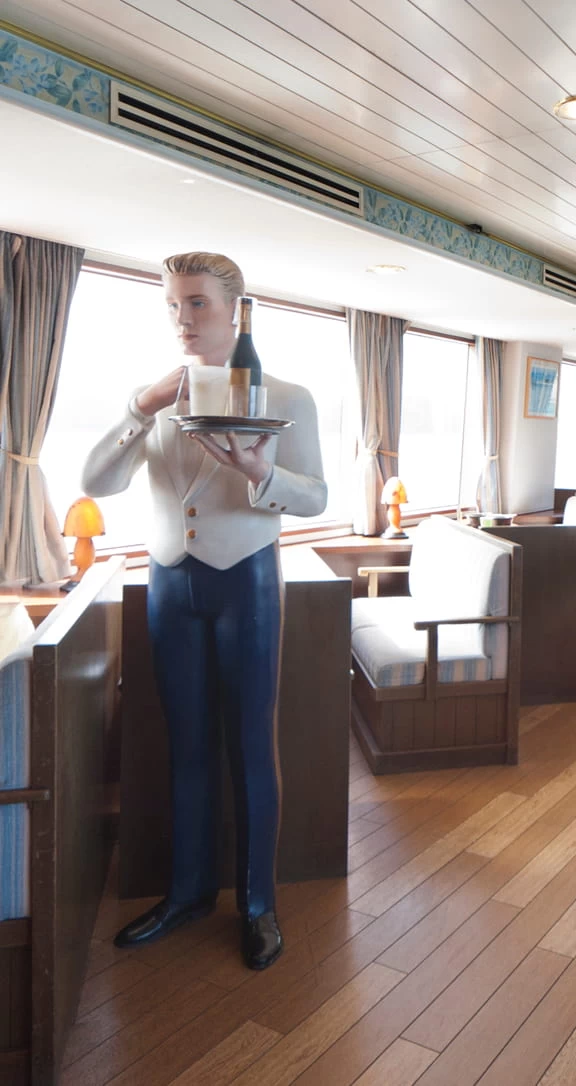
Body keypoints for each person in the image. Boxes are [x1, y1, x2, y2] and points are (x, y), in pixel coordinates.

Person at [83, 252, 326, 970]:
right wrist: (140, 408)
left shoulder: (287, 395)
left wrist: (261, 472)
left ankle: (257, 904)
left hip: (245, 581)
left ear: (233, 311)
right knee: (185, 746)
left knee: (250, 746)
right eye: (172, 304)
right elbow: (96, 481)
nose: (182, 319)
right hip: (169, 583)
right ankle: (187, 893)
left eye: (196, 303)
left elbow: (315, 496)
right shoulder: (152, 396)